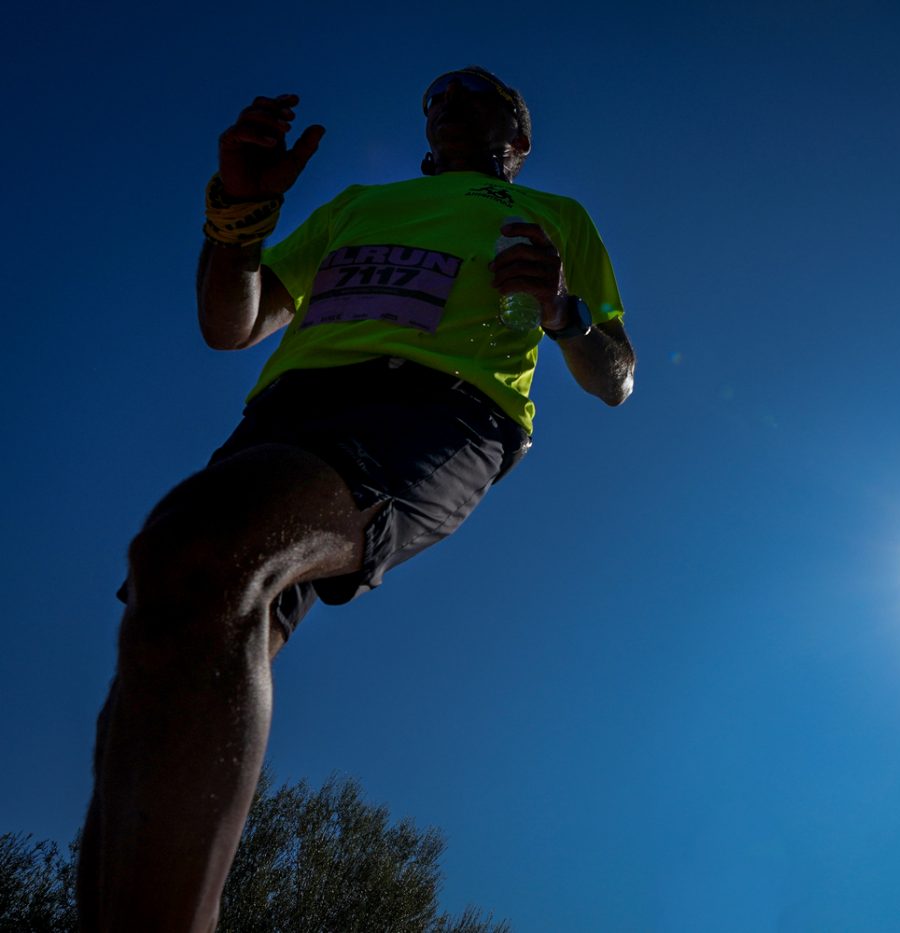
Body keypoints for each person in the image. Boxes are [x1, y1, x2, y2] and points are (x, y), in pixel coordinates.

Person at [77, 66, 635, 931]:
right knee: (165, 638)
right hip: (283, 417)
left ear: (518, 137)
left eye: (476, 90)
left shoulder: (557, 216)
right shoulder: (356, 206)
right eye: (435, 95)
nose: (447, 98)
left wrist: (565, 313)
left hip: (436, 409)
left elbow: (616, 377)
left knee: (200, 545)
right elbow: (233, 322)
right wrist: (238, 212)